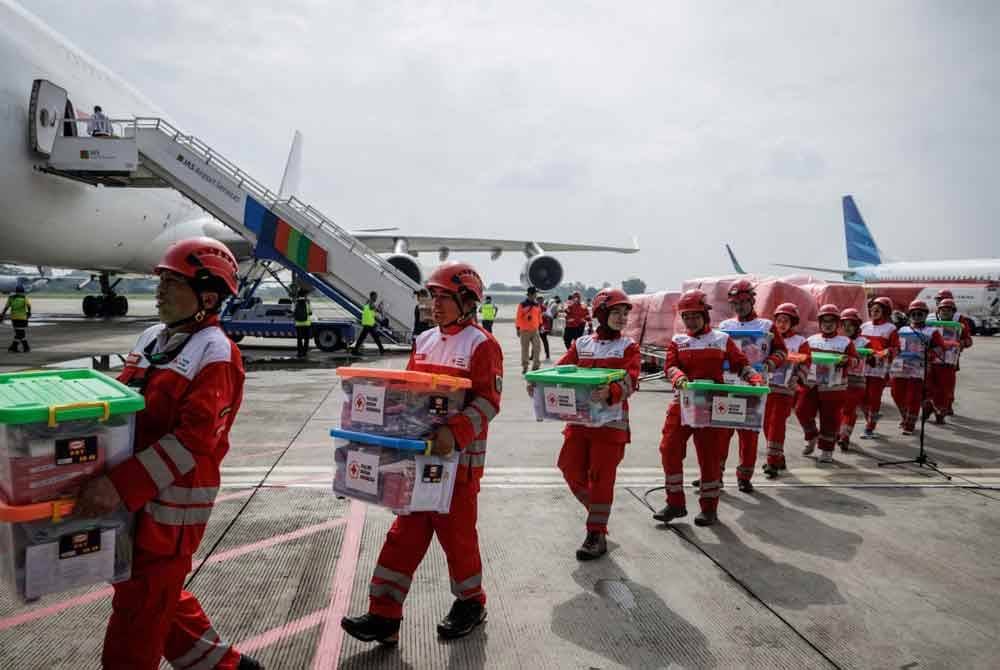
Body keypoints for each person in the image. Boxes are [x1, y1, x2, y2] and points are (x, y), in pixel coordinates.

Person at [73, 238, 262, 670]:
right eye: (161, 280)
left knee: (140, 613)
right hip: (129, 499)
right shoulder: (152, 339)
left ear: (207, 298)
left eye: (173, 283)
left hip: (169, 511)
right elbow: (120, 404)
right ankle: (225, 666)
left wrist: (119, 487)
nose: (159, 291)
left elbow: (194, 440)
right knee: (152, 594)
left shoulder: (216, 353)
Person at [341, 261, 502, 645]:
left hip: (458, 464)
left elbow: (488, 401)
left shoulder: (482, 344)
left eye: (444, 297)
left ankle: (471, 603)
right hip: (417, 458)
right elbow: (410, 393)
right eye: (433, 296)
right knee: (403, 536)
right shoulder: (425, 340)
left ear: (468, 301)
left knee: (457, 538)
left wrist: (454, 433)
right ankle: (384, 615)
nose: (435, 304)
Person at [530, 289, 640, 559]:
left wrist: (612, 391)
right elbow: (560, 369)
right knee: (569, 468)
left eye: (624, 314)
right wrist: (540, 384)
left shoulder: (628, 347)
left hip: (610, 425)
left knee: (601, 478)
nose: (622, 318)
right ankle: (598, 515)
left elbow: (631, 380)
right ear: (601, 314)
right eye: (616, 312)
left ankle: (596, 534)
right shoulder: (581, 344)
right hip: (579, 422)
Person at [654, 290, 761, 527]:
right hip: (684, 402)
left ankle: (709, 508)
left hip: (713, 405)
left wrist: (753, 378)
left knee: (710, 456)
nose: (691, 321)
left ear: (705, 314)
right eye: (686, 316)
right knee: (669, 448)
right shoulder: (678, 341)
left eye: (695, 315)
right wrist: (678, 376)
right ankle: (675, 503)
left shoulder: (721, 339)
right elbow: (670, 366)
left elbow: (740, 364)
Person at [717, 280, 787, 493]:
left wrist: (770, 363)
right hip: (727, 385)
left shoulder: (766, 326)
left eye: (743, 302)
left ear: (752, 301)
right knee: (720, 433)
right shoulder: (724, 326)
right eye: (735, 303)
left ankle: (744, 477)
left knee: (748, 433)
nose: (739, 306)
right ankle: (714, 475)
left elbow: (781, 351)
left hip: (754, 386)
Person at [796, 304, 859, 463]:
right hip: (811, 384)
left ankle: (826, 450)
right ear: (820, 322)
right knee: (801, 410)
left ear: (837, 323)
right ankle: (812, 436)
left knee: (830, 418)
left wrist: (847, 360)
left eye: (832, 321)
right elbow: (802, 358)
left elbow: (856, 361)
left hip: (834, 387)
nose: (828, 324)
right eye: (825, 320)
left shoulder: (845, 342)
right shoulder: (810, 340)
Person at [761, 303, 810, 479]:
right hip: (766, 388)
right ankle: (778, 457)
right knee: (766, 424)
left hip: (785, 390)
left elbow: (807, 362)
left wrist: (797, 378)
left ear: (793, 322)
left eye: (786, 321)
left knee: (776, 423)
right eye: (779, 320)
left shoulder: (800, 342)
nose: (782, 324)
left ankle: (772, 462)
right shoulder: (768, 338)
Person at [890, 300, 946, 435]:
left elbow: (940, 348)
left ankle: (910, 424)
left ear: (925, 315)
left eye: (919, 313)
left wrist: (929, 355)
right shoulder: (901, 330)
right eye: (913, 314)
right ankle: (906, 417)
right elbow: (893, 345)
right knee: (896, 394)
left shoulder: (932, 332)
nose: (916, 316)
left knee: (913, 397)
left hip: (918, 369)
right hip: (900, 368)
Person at [859, 297, 899, 438]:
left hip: (879, 369)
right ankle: (871, 419)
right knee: (861, 397)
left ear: (886, 311)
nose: (874, 312)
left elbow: (896, 348)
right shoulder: (864, 326)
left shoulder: (891, 328)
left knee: (874, 397)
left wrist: (887, 352)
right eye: (872, 309)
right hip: (862, 368)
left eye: (878, 310)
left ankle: (870, 427)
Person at [928, 298, 971, 423]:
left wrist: (961, 343)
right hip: (931, 361)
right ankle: (929, 408)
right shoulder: (930, 321)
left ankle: (942, 411)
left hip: (949, 362)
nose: (945, 312)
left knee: (945, 388)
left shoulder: (959, 323)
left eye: (949, 310)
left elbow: (968, 340)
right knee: (928, 386)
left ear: (953, 312)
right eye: (943, 309)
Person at [837, 308, 870, 450]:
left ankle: (845, 436)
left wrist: (872, 356)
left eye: (851, 324)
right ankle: (840, 432)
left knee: (849, 409)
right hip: (839, 381)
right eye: (844, 325)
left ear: (857, 326)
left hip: (857, 382)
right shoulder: (839, 341)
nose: (847, 328)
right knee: (839, 409)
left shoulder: (864, 342)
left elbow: (873, 359)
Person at [515, 286, 543, 374]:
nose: (536, 295)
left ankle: (536, 366)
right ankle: (525, 366)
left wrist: (541, 325)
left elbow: (539, 316)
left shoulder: (537, 305)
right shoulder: (522, 305)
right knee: (525, 349)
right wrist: (518, 328)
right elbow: (518, 317)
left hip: (535, 330)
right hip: (524, 330)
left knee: (537, 348)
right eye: (535, 294)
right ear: (531, 294)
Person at [1, 284, 32, 353]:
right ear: (22, 291)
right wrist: (29, 312)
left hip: (14, 318)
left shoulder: (11, 298)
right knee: (21, 333)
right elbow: (29, 305)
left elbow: (6, 307)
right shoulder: (24, 297)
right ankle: (19, 347)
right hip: (22, 318)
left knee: (19, 333)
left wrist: (2, 314)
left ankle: (17, 347)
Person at [352, 291, 385, 356]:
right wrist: (380, 307)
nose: (376, 298)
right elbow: (374, 308)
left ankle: (355, 350)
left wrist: (378, 308)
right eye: (375, 296)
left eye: (376, 296)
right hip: (368, 324)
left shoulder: (368, 302)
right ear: (372, 296)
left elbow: (373, 312)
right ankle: (382, 350)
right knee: (374, 337)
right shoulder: (370, 302)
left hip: (369, 324)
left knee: (369, 337)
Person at [293, 288, 313, 358]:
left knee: (299, 339)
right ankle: (305, 352)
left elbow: (293, 312)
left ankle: (299, 353)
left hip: (298, 324)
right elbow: (310, 313)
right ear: (305, 295)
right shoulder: (307, 302)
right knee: (306, 339)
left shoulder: (295, 302)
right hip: (306, 324)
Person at [538, 294, 552, 361]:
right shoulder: (535, 307)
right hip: (537, 326)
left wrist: (545, 315)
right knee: (536, 341)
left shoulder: (545, 308)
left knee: (543, 341)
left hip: (543, 327)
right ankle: (533, 355)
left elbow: (550, 317)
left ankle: (547, 355)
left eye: (541, 300)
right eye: (539, 300)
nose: (540, 302)